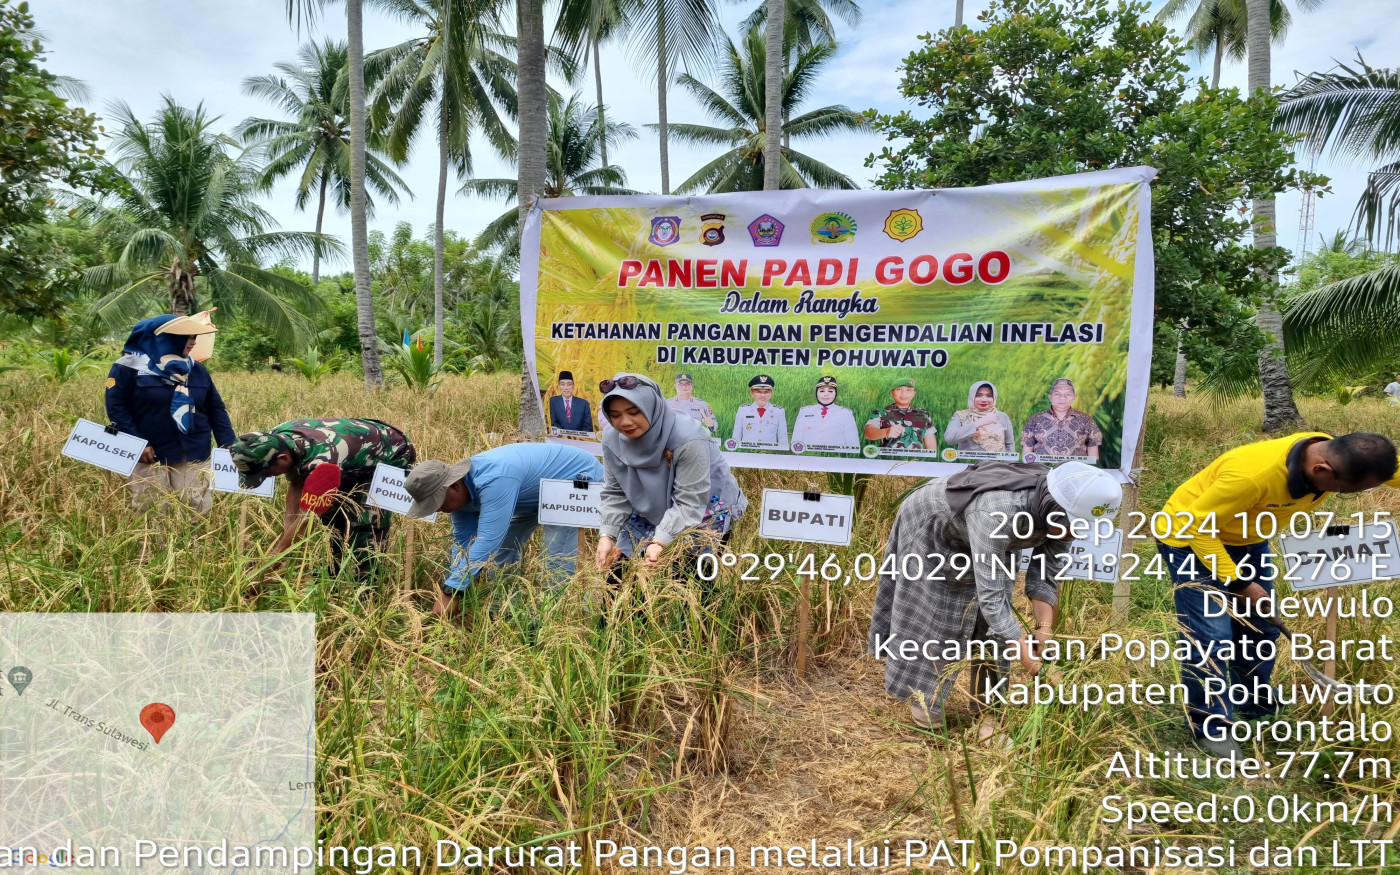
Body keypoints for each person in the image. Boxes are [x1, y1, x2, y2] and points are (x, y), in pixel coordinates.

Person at [1156, 432, 1400, 759]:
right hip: (1189, 538)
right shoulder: (1251, 475)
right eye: (1346, 491)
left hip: (1246, 537)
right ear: (1322, 470)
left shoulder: (1349, 455)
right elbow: (1196, 527)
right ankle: (1211, 725)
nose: (1347, 495)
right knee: (1211, 636)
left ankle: (1253, 703)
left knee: (1261, 627)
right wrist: (1238, 583)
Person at [870, 461, 1122, 737]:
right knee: (936, 614)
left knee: (994, 629)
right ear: (1054, 509)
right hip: (934, 529)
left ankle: (987, 711)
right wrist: (1034, 666)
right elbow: (991, 600)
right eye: (1073, 525)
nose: (1076, 533)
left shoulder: (1066, 518)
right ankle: (926, 698)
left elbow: (1045, 574)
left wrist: (1044, 630)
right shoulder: (996, 512)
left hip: (992, 536)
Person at [403, 444, 605, 618]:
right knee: (504, 549)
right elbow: (463, 543)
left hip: (573, 480)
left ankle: (556, 618)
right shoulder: (459, 497)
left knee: (557, 555)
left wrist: (451, 592)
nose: (438, 509)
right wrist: (451, 586)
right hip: (532, 494)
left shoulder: (494, 479)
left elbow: (488, 539)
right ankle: (505, 609)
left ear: (455, 486)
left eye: (438, 502)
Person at [230, 418, 415, 582]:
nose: (268, 477)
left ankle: (366, 582)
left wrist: (267, 567)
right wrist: (287, 536)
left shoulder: (323, 461)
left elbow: (306, 520)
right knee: (331, 516)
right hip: (346, 454)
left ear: (282, 458)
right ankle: (334, 572)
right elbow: (296, 482)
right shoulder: (275, 439)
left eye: (266, 472)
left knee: (366, 523)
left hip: (389, 452)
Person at [595, 374, 747, 571]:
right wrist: (607, 534)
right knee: (619, 574)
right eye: (615, 415)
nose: (624, 422)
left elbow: (690, 501)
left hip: (701, 508)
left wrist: (660, 541)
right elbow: (616, 491)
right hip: (648, 506)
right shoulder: (612, 438)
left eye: (634, 412)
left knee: (688, 576)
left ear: (651, 407)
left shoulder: (689, 439)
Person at [105, 313, 235, 514]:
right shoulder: (128, 367)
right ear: (166, 338)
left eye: (194, 337)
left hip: (193, 449)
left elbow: (215, 408)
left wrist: (227, 442)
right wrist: (138, 442)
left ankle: (194, 536)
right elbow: (116, 407)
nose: (193, 342)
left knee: (196, 504)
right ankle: (152, 537)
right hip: (149, 452)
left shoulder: (197, 370)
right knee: (151, 505)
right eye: (187, 337)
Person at [1020, 378, 1102, 462]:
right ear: (1050, 397)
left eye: (1068, 394)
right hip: (1043, 468)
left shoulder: (1086, 419)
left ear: (1074, 398)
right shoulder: (1035, 419)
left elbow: (1093, 456)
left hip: (1075, 469)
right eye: (1057, 394)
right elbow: (1026, 453)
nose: (1062, 398)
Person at [864, 377, 938, 452]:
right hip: (889, 458)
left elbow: (930, 441)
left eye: (908, 390)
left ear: (913, 394)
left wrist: (932, 457)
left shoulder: (924, 413)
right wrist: (887, 432)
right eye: (899, 389)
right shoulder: (880, 412)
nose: (904, 394)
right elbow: (868, 433)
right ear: (892, 392)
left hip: (916, 458)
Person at [790, 375, 860, 453]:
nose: (826, 394)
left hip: (835, 457)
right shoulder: (805, 411)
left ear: (835, 394)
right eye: (822, 391)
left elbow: (853, 443)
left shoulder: (846, 413)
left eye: (830, 391)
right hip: (808, 456)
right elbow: (796, 438)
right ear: (816, 393)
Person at [944, 381, 1016, 457]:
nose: (984, 400)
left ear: (994, 398)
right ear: (972, 397)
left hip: (998, 463)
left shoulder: (1002, 416)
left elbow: (1009, 444)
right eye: (978, 395)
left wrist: (1009, 462)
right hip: (970, 462)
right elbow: (950, 439)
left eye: (989, 396)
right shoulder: (960, 415)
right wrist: (979, 423)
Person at [731, 374, 788, 450]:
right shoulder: (743, 410)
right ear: (752, 393)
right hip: (747, 452)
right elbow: (736, 435)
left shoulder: (779, 411)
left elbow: (783, 438)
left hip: (769, 453)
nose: (762, 395)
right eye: (758, 392)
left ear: (771, 393)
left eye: (766, 392)